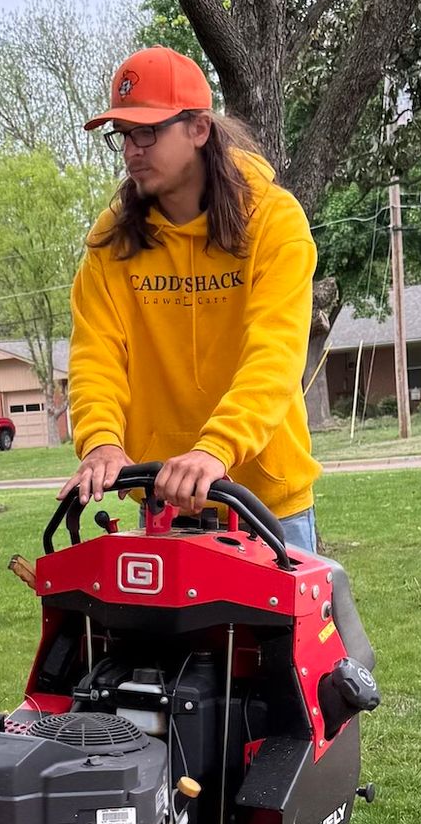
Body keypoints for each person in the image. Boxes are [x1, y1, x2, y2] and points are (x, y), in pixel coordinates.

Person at [65, 47, 321, 552]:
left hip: (265, 502)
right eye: (124, 135)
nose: (132, 150)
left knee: (276, 635)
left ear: (199, 129)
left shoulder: (273, 220)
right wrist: (100, 442)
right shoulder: (113, 238)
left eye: (148, 132)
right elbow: (96, 354)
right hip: (162, 504)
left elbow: (275, 355)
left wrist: (215, 451)